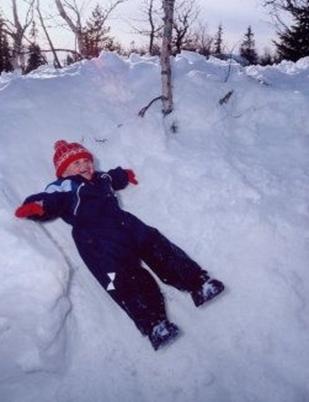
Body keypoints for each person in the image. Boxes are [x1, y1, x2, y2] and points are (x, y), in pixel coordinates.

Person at [15, 140, 224, 350]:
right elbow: (51, 200)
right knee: (125, 279)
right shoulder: (65, 186)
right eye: (75, 163)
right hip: (96, 242)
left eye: (86, 160)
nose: (84, 166)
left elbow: (113, 177)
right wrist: (37, 207)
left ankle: (199, 284)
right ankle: (155, 324)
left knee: (160, 248)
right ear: (63, 171)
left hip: (127, 224)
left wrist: (124, 175)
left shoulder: (100, 177)